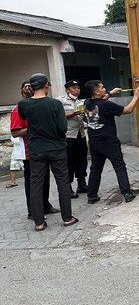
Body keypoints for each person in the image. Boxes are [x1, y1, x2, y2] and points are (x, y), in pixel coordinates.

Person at [18, 73, 77, 231]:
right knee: (62, 182)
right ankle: (67, 218)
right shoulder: (55, 104)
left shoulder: (24, 104)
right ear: (46, 86)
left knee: (36, 184)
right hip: (56, 147)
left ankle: (38, 222)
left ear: (31, 87)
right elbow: (63, 127)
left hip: (36, 149)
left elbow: (24, 117)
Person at [84, 80, 139, 204]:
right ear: (96, 91)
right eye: (102, 87)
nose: (105, 89)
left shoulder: (87, 103)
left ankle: (91, 196)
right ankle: (126, 193)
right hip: (109, 141)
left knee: (95, 168)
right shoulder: (106, 105)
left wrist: (111, 93)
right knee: (119, 166)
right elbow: (128, 110)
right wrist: (136, 96)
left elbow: (100, 102)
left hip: (94, 142)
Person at [10, 80, 59, 220]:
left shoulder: (40, 105)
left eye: (30, 86)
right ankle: (33, 211)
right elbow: (15, 132)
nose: (29, 89)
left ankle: (45, 206)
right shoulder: (20, 108)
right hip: (29, 151)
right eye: (26, 87)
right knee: (33, 182)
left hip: (44, 148)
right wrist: (36, 127)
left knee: (45, 180)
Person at [56, 79, 88, 198]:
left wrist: (86, 115)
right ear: (67, 89)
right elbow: (57, 117)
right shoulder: (60, 101)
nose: (76, 90)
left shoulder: (81, 102)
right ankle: (67, 187)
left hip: (80, 134)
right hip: (68, 136)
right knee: (68, 161)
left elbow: (85, 119)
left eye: (78, 88)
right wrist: (72, 114)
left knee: (82, 159)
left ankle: (82, 184)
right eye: (74, 88)